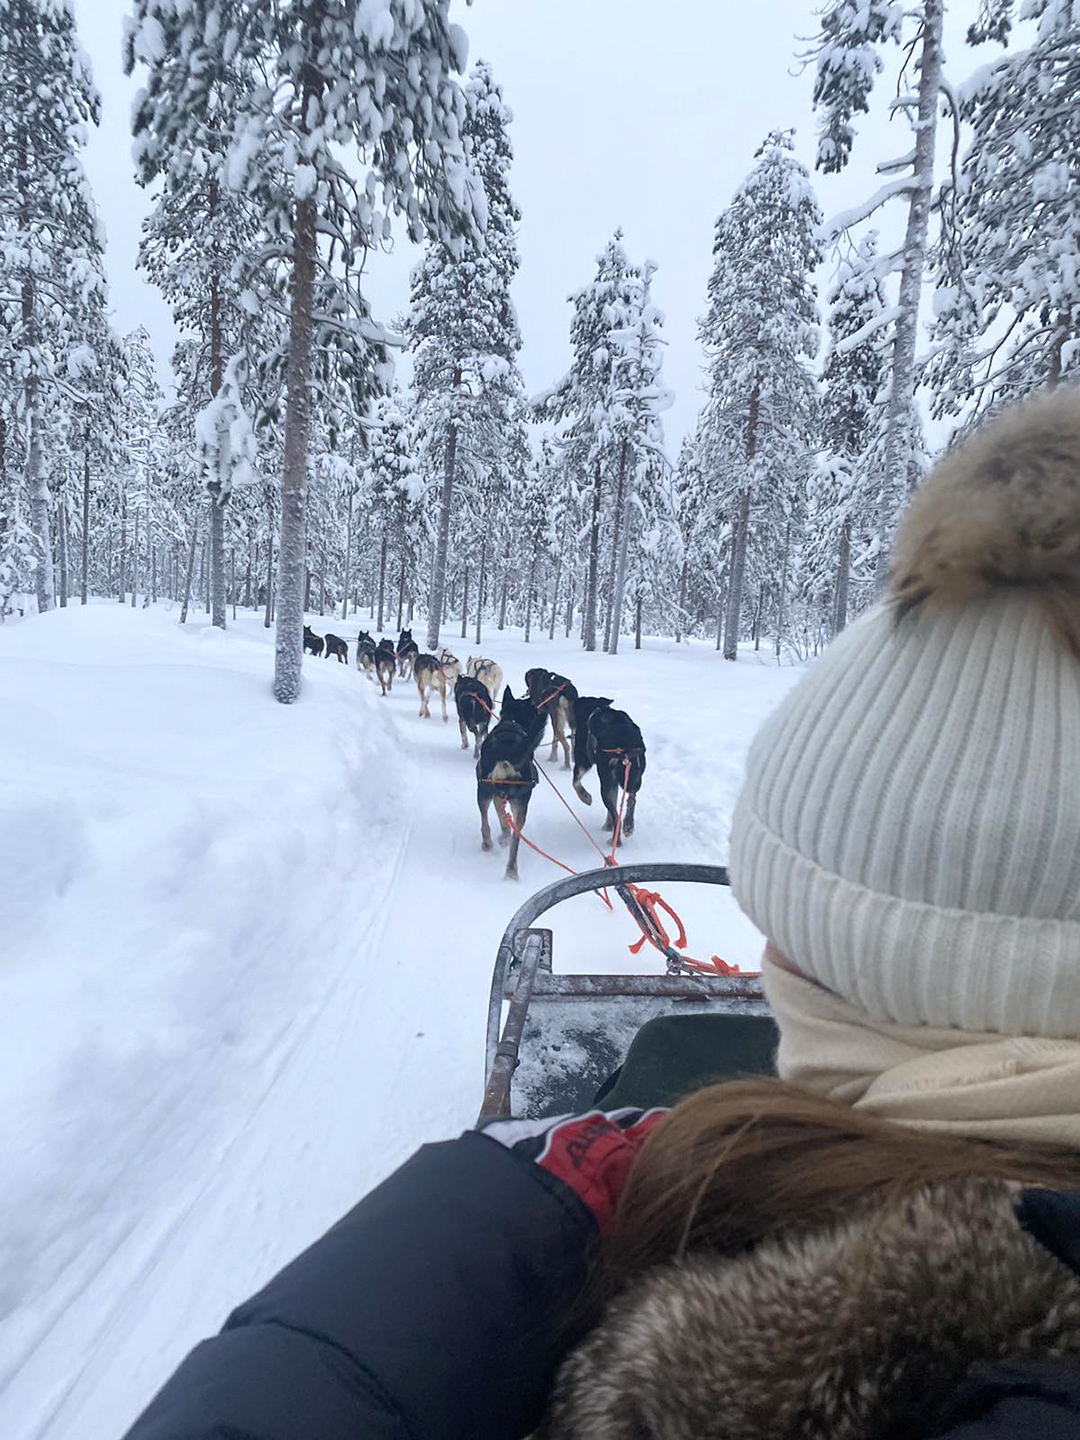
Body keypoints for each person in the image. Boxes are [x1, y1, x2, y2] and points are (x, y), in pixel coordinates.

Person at [123, 389, 1080, 1439]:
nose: (767, 956)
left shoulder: (694, 1386)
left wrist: (486, 1212)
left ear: (856, 961)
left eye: (790, 926)